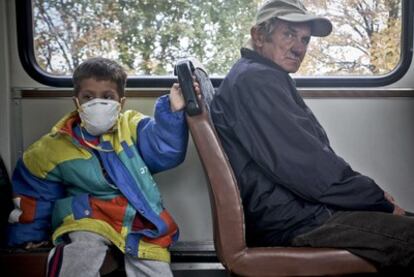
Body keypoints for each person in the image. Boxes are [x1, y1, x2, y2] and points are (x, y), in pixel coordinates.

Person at [210, 0, 414, 273]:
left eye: (304, 39)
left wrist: (372, 197)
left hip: (296, 210)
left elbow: (313, 159)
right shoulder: (257, 82)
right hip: (293, 220)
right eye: (289, 35)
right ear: (259, 36)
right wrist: (376, 199)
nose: (299, 48)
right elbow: (307, 168)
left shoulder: (264, 76)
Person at [7, 57, 198, 277]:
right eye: (88, 97)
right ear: (76, 102)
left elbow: (165, 150)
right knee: (80, 252)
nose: (97, 103)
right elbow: (35, 196)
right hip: (88, 216)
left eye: (107, 97)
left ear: (121, 103)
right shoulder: (53, 147)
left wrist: (173, 110)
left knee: (153, 262)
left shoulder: (131, 127)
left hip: (134, 217)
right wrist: (27, 237)